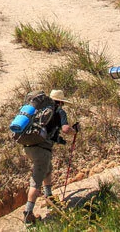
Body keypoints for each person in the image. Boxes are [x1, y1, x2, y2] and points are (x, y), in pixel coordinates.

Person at [22, 89, 78, 225]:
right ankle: (28, 214)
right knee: (36, 180)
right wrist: (74, 131)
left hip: (28, 146)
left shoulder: (38, 110)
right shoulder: (59, 111)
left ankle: (49, 196)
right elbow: (65, 129)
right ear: (60, 102)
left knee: (47, 168)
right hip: (42, 148)